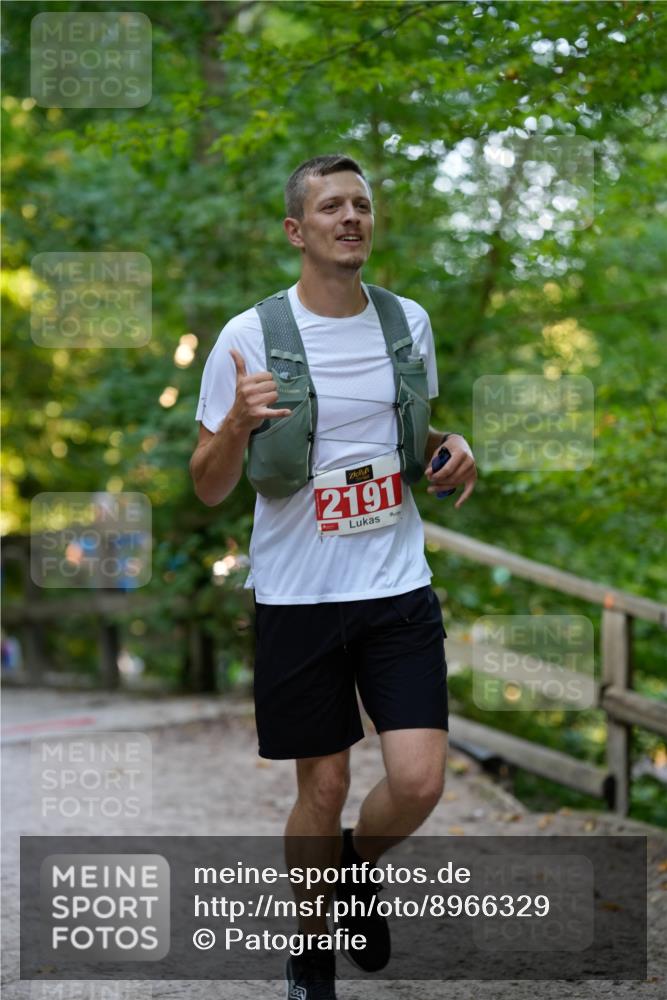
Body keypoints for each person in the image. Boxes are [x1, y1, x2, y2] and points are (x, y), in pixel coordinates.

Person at [190, 154, 477, 998]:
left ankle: (350, 869)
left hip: (395, 585)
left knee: (419, 781)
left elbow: (408, 438)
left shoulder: (406, 322)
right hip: (299, 596)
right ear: (297, 230)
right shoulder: (248, 337)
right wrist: (237, 428)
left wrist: (452, 449)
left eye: (360, 205)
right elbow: (207, 484)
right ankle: (310, 961)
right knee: (324, 786)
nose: (349, 218)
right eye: (330, 207)